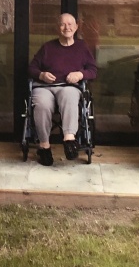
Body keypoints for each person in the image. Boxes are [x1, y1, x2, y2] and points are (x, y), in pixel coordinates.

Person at [28, 13, 98, 166]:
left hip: (68, 87)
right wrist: (42, 74)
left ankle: (69, 139)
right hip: (45, 87)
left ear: (76, 27)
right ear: (57, 28)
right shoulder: (47, 47)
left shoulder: (82, 47)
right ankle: (44, 146)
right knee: (42, 103)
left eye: (70, 24)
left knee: (69, 94)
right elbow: (31, 68)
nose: (67, 27)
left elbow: (93, 71)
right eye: (63, 24)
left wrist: (80, 74)